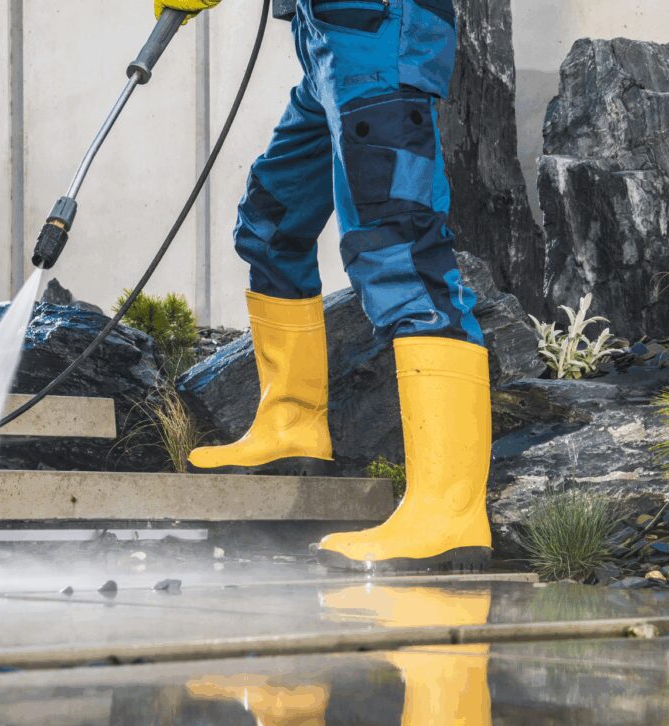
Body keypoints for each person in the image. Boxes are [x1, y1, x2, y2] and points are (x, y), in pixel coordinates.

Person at [157, 0, 492, 572]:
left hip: (380, 35)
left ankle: (448, 512)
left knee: (399, 251)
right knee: (270, 224)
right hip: (326, 42)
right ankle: (290, 424)